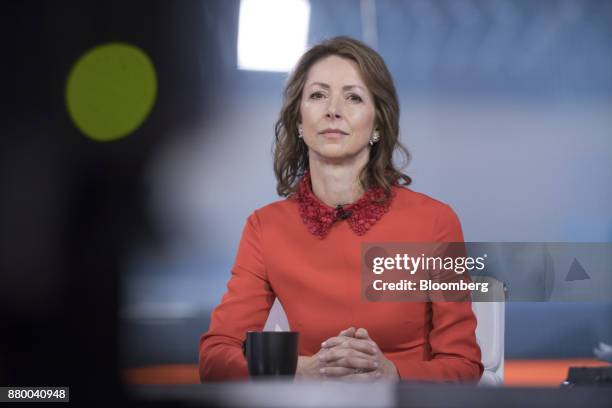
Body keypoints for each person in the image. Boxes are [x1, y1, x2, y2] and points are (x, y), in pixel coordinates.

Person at [199, 36, 483, 382]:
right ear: (299, 121)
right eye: (318, 95)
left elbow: (463, 366)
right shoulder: (265, 227)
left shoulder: (435, 222)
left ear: (378, 123)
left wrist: (392, 374)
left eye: (353, 97)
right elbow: (215, 359)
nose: (333, 110)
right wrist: (300, 370)